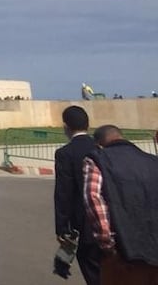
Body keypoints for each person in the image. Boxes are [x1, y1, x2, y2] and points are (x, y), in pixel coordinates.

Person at [82, 124, 158, 283]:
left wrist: (107, 243)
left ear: (99, 144)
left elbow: (93, 198)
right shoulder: (152, 161)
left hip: (123, 254)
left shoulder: (97, 160)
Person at [54, 105, 99, 284]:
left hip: (84, 222)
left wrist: (62, 227)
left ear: (66, 126)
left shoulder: (65, 153)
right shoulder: (101, 148)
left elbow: (63, 192)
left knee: (92, 270)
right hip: (112, 220)